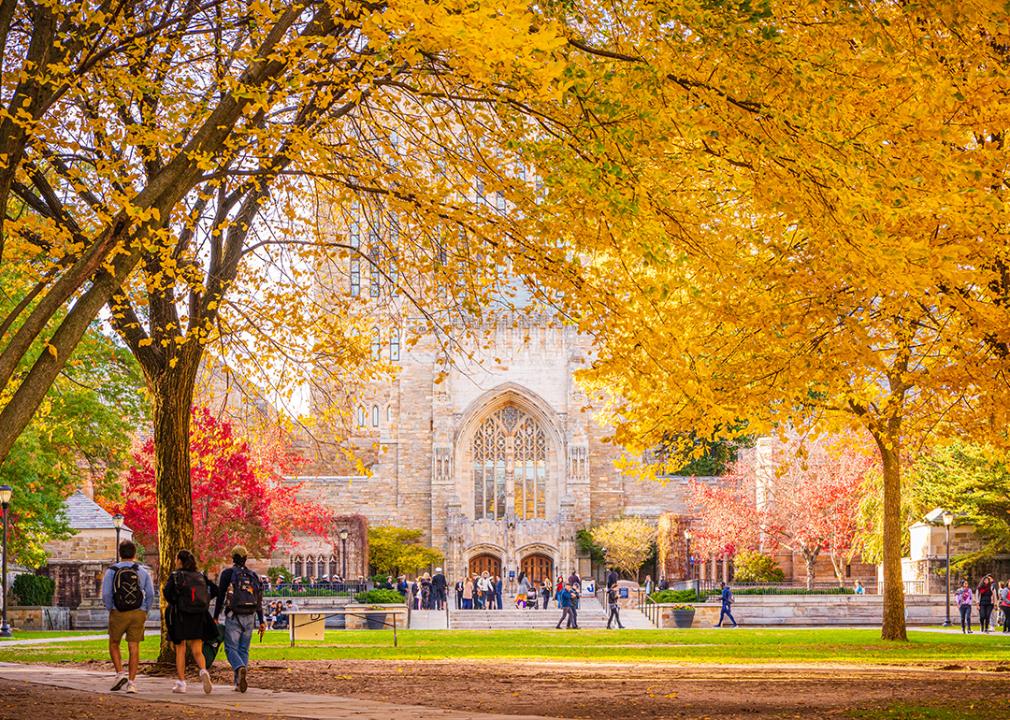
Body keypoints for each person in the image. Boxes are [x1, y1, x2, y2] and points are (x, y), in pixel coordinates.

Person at [102, 540, 156, 693]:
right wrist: (145, 610)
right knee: (134, 646)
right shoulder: (142, 571)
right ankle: (132, 683)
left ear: (120, 553)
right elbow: (150, 593)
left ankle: (119, 673)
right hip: (138, 612)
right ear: (134, 554)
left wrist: (111, 608)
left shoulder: (112, 571)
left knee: (114, 643)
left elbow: (106, 593)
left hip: (118, 611)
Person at [213, 545, 265, 693]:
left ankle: (239, 668)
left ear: (233, 558)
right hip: (250, 615)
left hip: (234, 615)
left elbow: (221, 596)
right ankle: (238, 682)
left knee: (230, 648)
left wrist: (216, 616)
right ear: (245, 558)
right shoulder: (253, 576)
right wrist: (261, 621)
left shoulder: (228, 574)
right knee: (244, 649)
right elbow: (259, 599)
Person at [163, 549, 216, 694]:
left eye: (176, 559)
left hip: (181, 616)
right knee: (197, 650)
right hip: (198, 615)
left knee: (180, 649)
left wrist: (177, 602)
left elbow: (167, 593)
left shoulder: (176, 576)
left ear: (180, 561)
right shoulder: (200, 576)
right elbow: (214, 589)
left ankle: (181, 683)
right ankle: (204, 671)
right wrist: (202, 601)